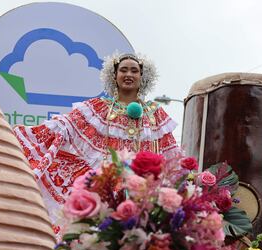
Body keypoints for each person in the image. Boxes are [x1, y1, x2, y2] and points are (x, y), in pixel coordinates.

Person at [13, 51, 179, 233]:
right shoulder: (98, 108)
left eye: (134, 71)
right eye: (123, 70)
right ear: (114, 76)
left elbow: (172, 160)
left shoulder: (156, 114)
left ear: (142, 77)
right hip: (102, 191)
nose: (129, 75)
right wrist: (21, 136)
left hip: (142, 196)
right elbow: (65, 126)